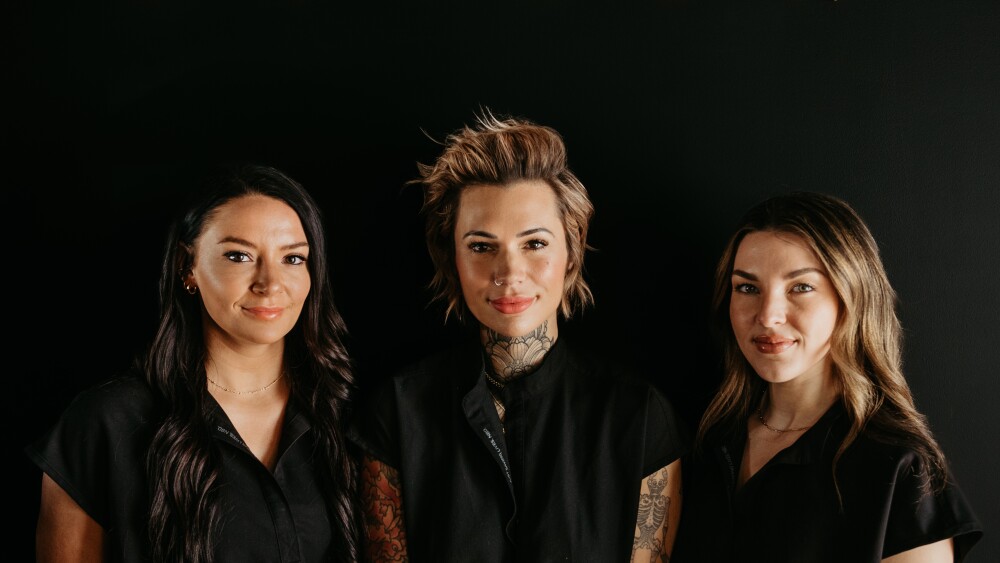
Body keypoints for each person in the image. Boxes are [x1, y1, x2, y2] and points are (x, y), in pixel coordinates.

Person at [347, 111, 688, 562]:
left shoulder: (639, 417)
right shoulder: (398, 411)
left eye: (535, 243)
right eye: (482, 247)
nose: (509, 274)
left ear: (572, 249)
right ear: (451, 258)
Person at [26, 163, 362, 562]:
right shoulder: (106, 422)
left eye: (293, 259)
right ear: (188, 268)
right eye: (239, 256)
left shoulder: (344, 414)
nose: (270, 283)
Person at [672, 191, 983, 562]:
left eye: (801, 287)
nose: (768, 316)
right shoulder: (707, 442)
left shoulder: (899, 469)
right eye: (748, 288)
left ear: (851, 298)